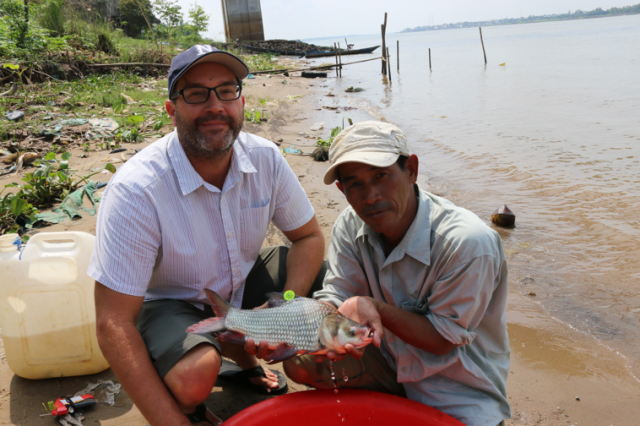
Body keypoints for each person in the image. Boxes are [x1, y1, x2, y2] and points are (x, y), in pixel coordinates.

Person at [89, 45, 325, 426]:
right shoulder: (138, 190)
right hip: (170, 301)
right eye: (196, 94)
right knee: (195, 375)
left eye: (226, 91)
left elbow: (309, 237)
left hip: (240, 282)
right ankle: (190, 377)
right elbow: (113, 323)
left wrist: (287, 303)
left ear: (242, 102)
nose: (215, 106)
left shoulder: (265, 159)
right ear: (172, 110)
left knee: (328, 285)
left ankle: (241, 351)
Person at [282, 121, 511, 426]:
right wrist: (285, 322)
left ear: (411, 170)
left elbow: (443, 339)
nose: (371, 196)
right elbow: (336, 296)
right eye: (355, 184)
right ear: (342, 189)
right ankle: (384, 407)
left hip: (458, 393)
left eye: (381, 176)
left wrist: (376, 308)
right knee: (300, 361)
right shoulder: (350, 225)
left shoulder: (467, 243)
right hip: (389, 363)